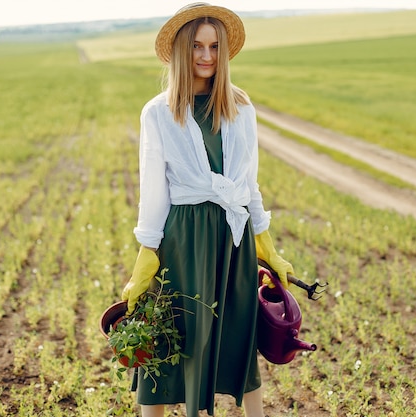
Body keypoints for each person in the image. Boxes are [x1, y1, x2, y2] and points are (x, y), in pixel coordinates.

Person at [121, 3, 294, 416]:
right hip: (183, 241)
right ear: (182, 50)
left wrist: (265, 240)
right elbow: (153, 191)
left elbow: (249, 183)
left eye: (215, 46)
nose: (206, 56)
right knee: (168, 336)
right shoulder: (158, 112)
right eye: (197, 46)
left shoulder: (241, 107)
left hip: (234, 240)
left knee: (240, 336)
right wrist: (147, 253)